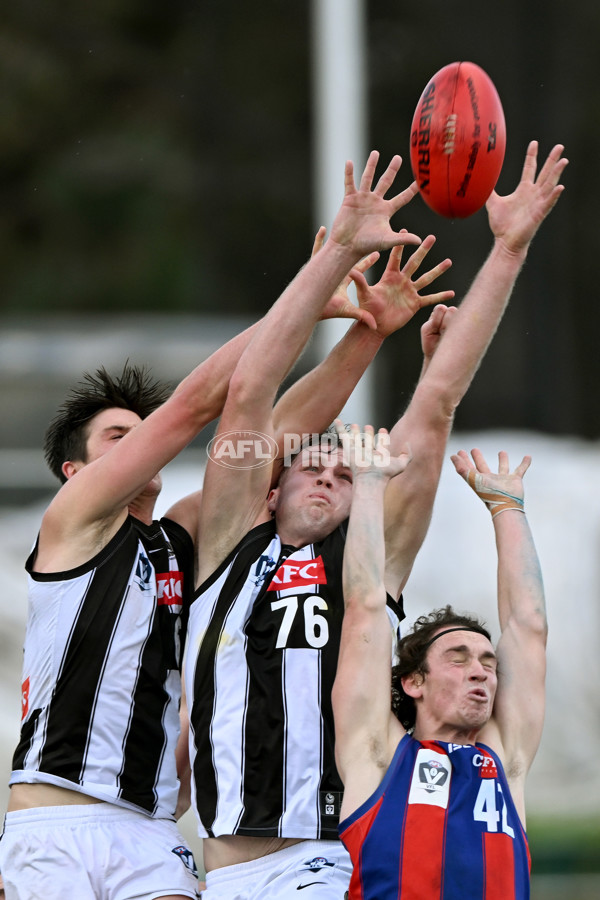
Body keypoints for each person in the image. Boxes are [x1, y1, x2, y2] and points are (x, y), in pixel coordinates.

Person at [185, 140, 566, 900]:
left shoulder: (368, 568)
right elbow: (249, 396)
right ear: (268, 489)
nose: (330, 475)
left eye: (343, 471)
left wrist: (507, 250)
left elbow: (437, 403)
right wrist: (341, 271)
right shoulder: (226, 544)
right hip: (230, 865)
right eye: (310, 467)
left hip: (331, 858)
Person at [333, 425, 545, 900]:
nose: (481, 671)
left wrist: (507, 508)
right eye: (459, 658)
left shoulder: (504, 758)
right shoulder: (379, 755)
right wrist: (368, 482)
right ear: (413, 682)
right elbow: (365, 607)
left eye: (489, 662)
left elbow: (528, 627)